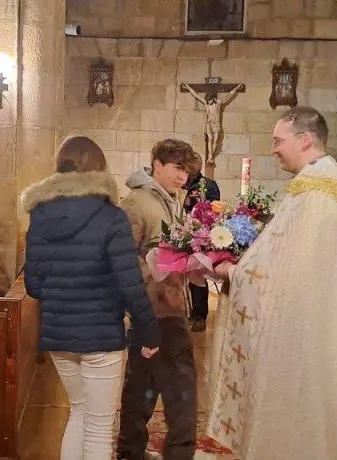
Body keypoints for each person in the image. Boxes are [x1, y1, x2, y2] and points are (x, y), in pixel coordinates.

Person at [207, 107, 337, 459]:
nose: (274, 149)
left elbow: (285, 274)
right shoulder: (329, 182)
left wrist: (231, 272)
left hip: (307, 334)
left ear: (305, 139)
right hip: (327, 327)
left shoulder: (316, 193)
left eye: (279, 141)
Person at [22, 136, 161, 460]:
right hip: (100, 334)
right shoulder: (110, 216)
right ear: (99, 169)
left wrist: (64, 295)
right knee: (99, 426)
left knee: (78, 412)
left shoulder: (40, 216)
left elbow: (33, 284)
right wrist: (148, 328)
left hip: (58, 335)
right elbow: (130, 282)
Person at [117, 138, 202, 460]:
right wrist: (160, 269)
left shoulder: (167, 199)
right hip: (155, 309)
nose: (183, 177)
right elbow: (124, 260)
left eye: (187, 171)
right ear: (157, 164)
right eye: (177, 168)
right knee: (181, 388)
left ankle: (130, 450)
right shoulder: (138, 203)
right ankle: (179, 453)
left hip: (164, 306)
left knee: (143, 384)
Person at [183, 170, 220, 332]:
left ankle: (199, 316)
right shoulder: (182, 183)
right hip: (182, 232)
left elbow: (212, 210)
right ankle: (187, 312)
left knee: (197, 275)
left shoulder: (209, 185)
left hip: (200, 234)